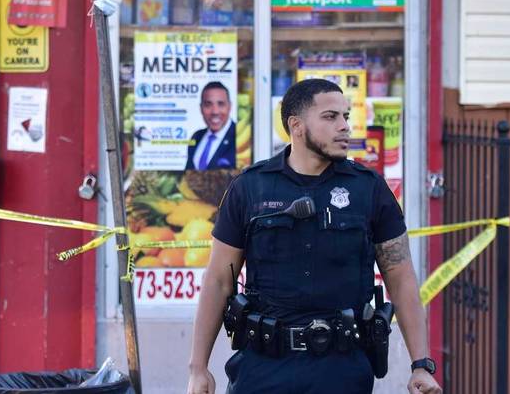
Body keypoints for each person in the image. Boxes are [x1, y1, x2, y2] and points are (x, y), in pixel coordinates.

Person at [187, 79, 441, 394]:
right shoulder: (250, 188)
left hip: (342, 369)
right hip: (263, 367)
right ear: (296, 125)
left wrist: (421, 365)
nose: (345, 126)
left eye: (346, 116)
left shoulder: (369, 189)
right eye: (330, 117)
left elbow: (401, 278)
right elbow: (218, 281)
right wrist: (198, 368)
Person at [185, 82, 236, 171]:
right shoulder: (196, 136)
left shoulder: (240, 137)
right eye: (208, 104)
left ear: (229, 106)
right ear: (201, 108)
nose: (215, 111)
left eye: (221, 104)